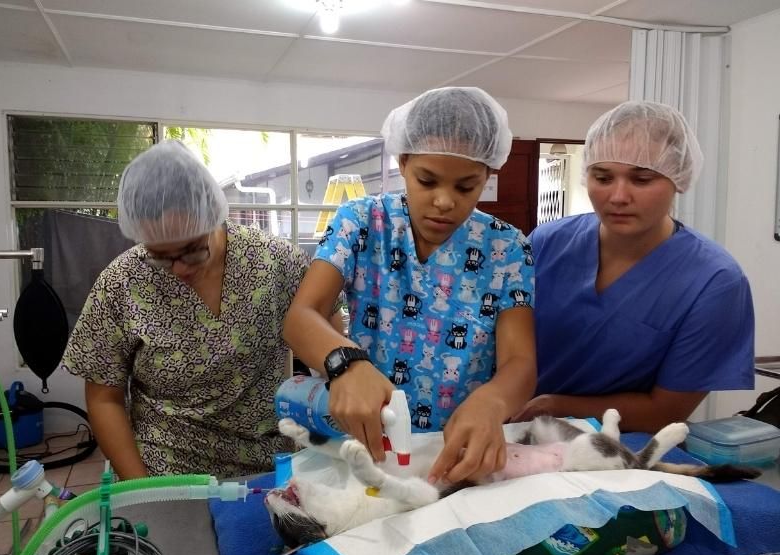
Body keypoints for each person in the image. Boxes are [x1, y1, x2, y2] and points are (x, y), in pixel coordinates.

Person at [283, 87, 537, 484]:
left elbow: (519, 362)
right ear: (403, 162)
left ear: (489, 173)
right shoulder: (362, 222)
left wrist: (493, 401)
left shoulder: (507, 247)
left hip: (461, 452)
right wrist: (345, 363)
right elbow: (302, 316)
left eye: (465, 187)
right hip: (369, 446)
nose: (443, 201)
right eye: (427, 180)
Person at [62, 140, 317, 479]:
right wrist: (145, 491)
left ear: (214, 217)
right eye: (161, 256)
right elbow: (104, 397)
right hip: (168, 468)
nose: (179, 269)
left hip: (269, 464)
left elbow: (323, 326)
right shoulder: (122, 283)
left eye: (192, 250)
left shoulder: (275, 263)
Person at [516, 101, 755, 432]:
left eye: (641, 179)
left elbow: (665, 412)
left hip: (617, 448)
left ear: (679, 178)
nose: (618, 196)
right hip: (510, 428)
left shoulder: (714, 282)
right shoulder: (547, 242)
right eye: (602, 176)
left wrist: (554, 406)